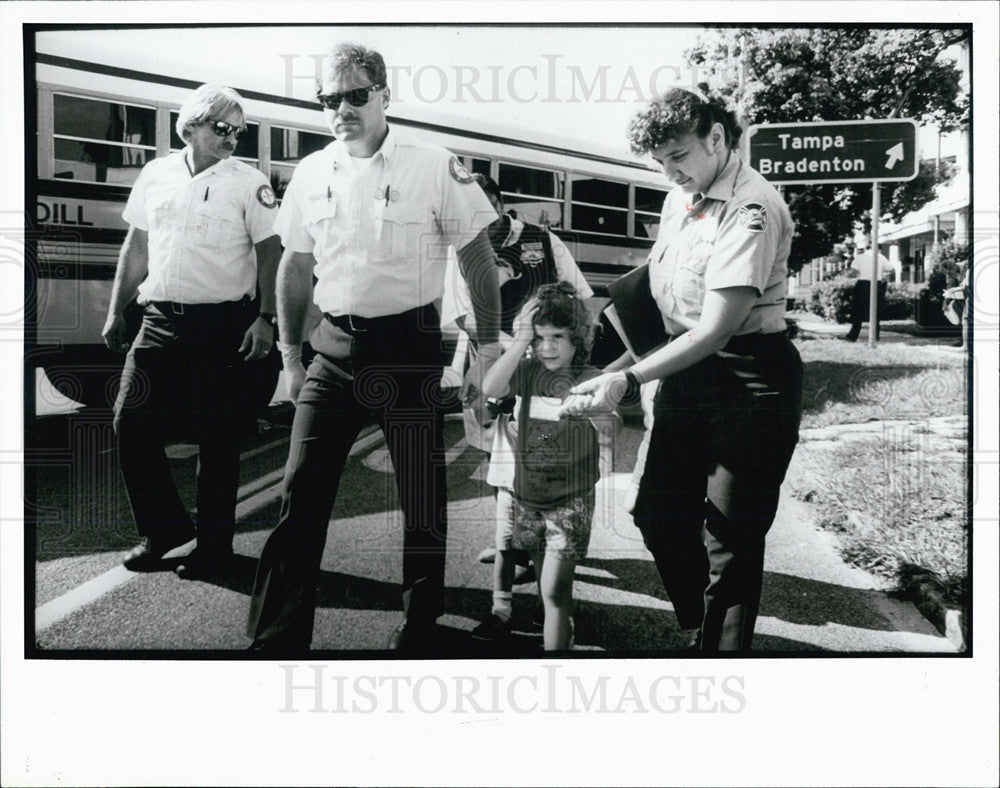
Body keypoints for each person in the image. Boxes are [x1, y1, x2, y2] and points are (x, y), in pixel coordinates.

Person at [245, 43, 501, 654]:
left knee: (421, 498)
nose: (342, 109)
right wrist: (289, 354)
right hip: (332, 350)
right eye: (328, 99)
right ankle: (275, 641)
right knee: (299, 496)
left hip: (406, 348)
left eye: (355, 95)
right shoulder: (311, 171)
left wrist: (488, 351)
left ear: (386, 94)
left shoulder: (433, 164)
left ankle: (420, 624)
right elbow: (295, 265)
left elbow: (477, 258)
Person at [561, 88, 803, 652]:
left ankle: (721, 658)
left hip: (750, 377)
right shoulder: (680, 199)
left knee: (731, 540)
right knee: (657, 513)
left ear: (717, 138)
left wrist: (628, 380)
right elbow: (665, 309)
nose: (670, 173)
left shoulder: (752, 208)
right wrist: (614, 365)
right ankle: (701, 624)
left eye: (680, 156)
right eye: (660, 162)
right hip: (686, 371)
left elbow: (716, 327)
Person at [102, 83, 280, 580]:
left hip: (223, 325)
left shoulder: (249, 182)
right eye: (223, 128)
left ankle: (216, 551)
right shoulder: (156, 174)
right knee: (129, 423)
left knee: (217, 440)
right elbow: (136, 246)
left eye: (239, 131)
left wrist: (265, 318)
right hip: (158, 320)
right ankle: (164, 530)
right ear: (192, 125)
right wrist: (117, 312)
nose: (232, 138)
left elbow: (271, 253)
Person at [440, 173, 594, 567]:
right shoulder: (461, 249)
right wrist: (516, 348)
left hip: (545, 368)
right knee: (498, 457)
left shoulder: (544, 240)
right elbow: (462, 317)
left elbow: (579, 298)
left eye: (486, 206)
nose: (480, 216)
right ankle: (511, 541)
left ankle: (548, 543)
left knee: (544, 451)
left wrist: (548, 348)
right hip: (494, 363)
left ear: (499, 201)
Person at [476, 283, 619, 650]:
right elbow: (491, 385)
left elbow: (614, 425)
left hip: (570, 501)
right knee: (546, 589)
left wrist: (595, 412)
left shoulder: (588, 379)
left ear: (578, 338)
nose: (548, 346)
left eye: (557, 336)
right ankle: (561, 633)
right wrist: (521, 340)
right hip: (528, 497)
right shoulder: (527, 371)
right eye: (540, 337)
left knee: (555, 590)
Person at [845, 242, 890, 342]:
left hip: (863, 284)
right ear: (879, 249)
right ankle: (875, 336)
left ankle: (853, 336)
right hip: (876, 284)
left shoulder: (860, 257)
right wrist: (883, 276)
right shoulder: (881, 257)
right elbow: (890, 269)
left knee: (858, 311)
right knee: (875, 311)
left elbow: (853, 272)